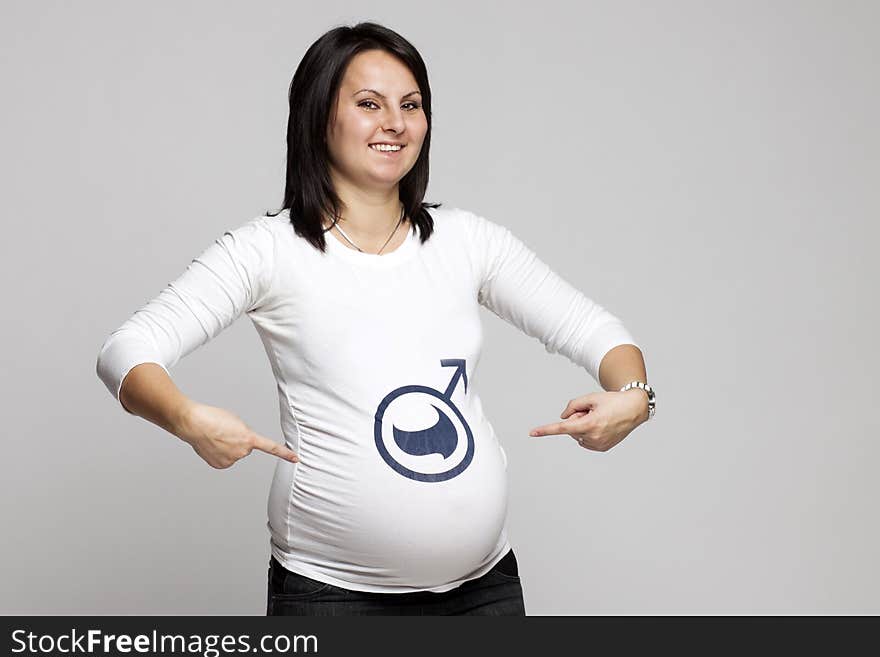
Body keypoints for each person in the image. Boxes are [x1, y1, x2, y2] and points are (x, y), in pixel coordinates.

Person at [95, 22, 655, 616]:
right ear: (319, 118)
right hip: (331, 598)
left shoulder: (468, 242)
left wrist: (635, 397)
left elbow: (597, 331)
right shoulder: (267, 251)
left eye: (411, 105)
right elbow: (124, 351)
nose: (395, 122)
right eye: (369, 104)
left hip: (486, 590)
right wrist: (185, 418)